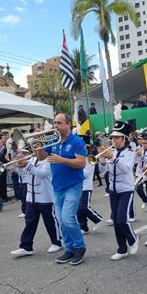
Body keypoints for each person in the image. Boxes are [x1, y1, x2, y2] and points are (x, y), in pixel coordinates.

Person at [44, 113, 88, 266]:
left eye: (59, 123)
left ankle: (80, 247)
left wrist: (61, 159)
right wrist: (36, 147)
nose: (56, 126)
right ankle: (69, 249)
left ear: (68, 124)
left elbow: (82, 163)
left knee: (68, 218)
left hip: (73, 185)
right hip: (57, 186)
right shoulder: (53, 140)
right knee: (61, 221)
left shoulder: (76, 141)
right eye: (55, 123)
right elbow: (41, 156)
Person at [11, 146, 62, 256]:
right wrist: (19, 165)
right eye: (34, 149)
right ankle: (26, 246)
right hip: (31, 198)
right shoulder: (32, 160)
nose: (34, 151)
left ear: (44, 151)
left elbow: (42, 174)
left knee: (50, 222)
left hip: (46, 197)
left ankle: (57, 242)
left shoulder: (50, 161)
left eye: (38, 149)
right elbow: (23, 174)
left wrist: (27, 165)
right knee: (29, 223)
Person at [98, 120, 139, 260]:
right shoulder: (112, 152)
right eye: (113, 138)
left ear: (124, 139)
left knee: (122, 219)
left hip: (126, 189)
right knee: (116, 220)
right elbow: (104, 172)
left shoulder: (129, 153)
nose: (113, 140)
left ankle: (133, 239)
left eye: (116, 138)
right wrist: (103, 161)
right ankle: (122, 249)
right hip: (113, 190)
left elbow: (126, 169)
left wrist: (112, 157)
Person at [77, 137, 103, 234]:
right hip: (77, 187)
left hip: (86, 187)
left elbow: (86, 173)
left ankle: (97, 219)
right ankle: (83, 227)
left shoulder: (90, 158)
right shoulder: (77, 157)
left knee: (84, 207)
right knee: (78, 209)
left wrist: (74, 170)